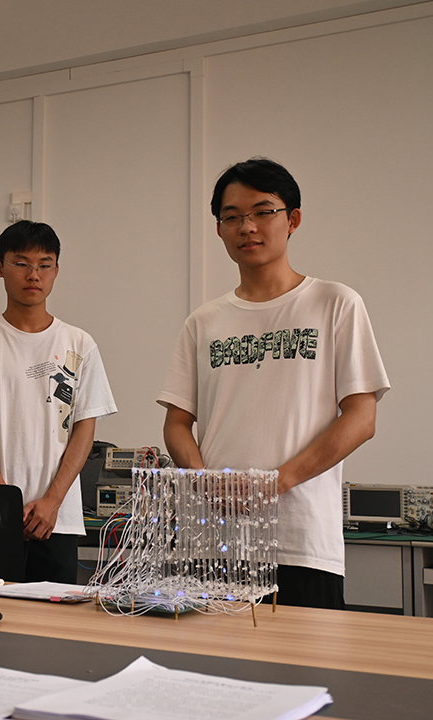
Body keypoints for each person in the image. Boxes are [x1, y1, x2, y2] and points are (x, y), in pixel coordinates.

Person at [158, 157, 390, 610]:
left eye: (263, 212)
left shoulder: (335, 304)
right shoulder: (204, 321)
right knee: (210, 658)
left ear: (292, 219)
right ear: (219, 229)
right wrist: (203, 481)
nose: (247, 227)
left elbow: (362, 418)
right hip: (212, 543)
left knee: (306, 657)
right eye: (232, 217)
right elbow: (177, 423)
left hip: (301, 542)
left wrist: (276, 482)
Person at [0, 220, 118, 583]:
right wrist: (5, 501)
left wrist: (52, 500)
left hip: (57, 517)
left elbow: (84, 429)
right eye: (21, 263)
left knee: (52, 617)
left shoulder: (79, 343)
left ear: (56, 270)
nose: (34, 275)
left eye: (45, 264)